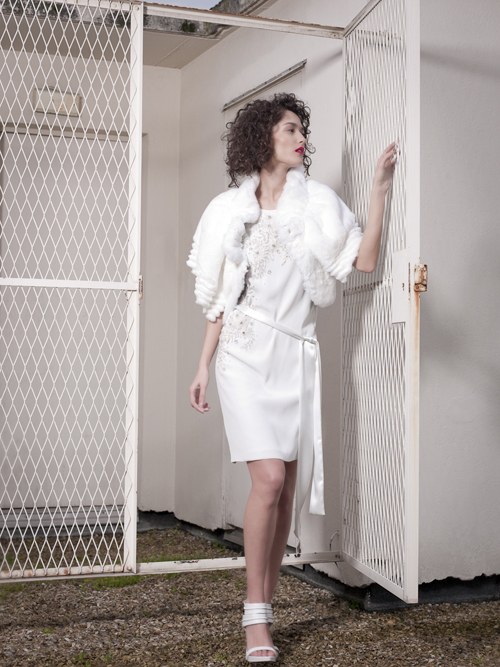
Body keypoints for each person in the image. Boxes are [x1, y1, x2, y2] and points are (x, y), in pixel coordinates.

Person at [188, 92, 396, 663]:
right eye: (289, 128)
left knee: (284, 497)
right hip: (242, 355)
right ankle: (254, 615)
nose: (301, 137)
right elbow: (220, 296)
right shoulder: (228, 210)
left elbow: (364, 262)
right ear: (263, 137)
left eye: (302, 129)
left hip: (293, 357)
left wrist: (379, 191)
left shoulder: (318, 203)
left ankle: (264, 604)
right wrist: (203, 364)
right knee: (271, 480)